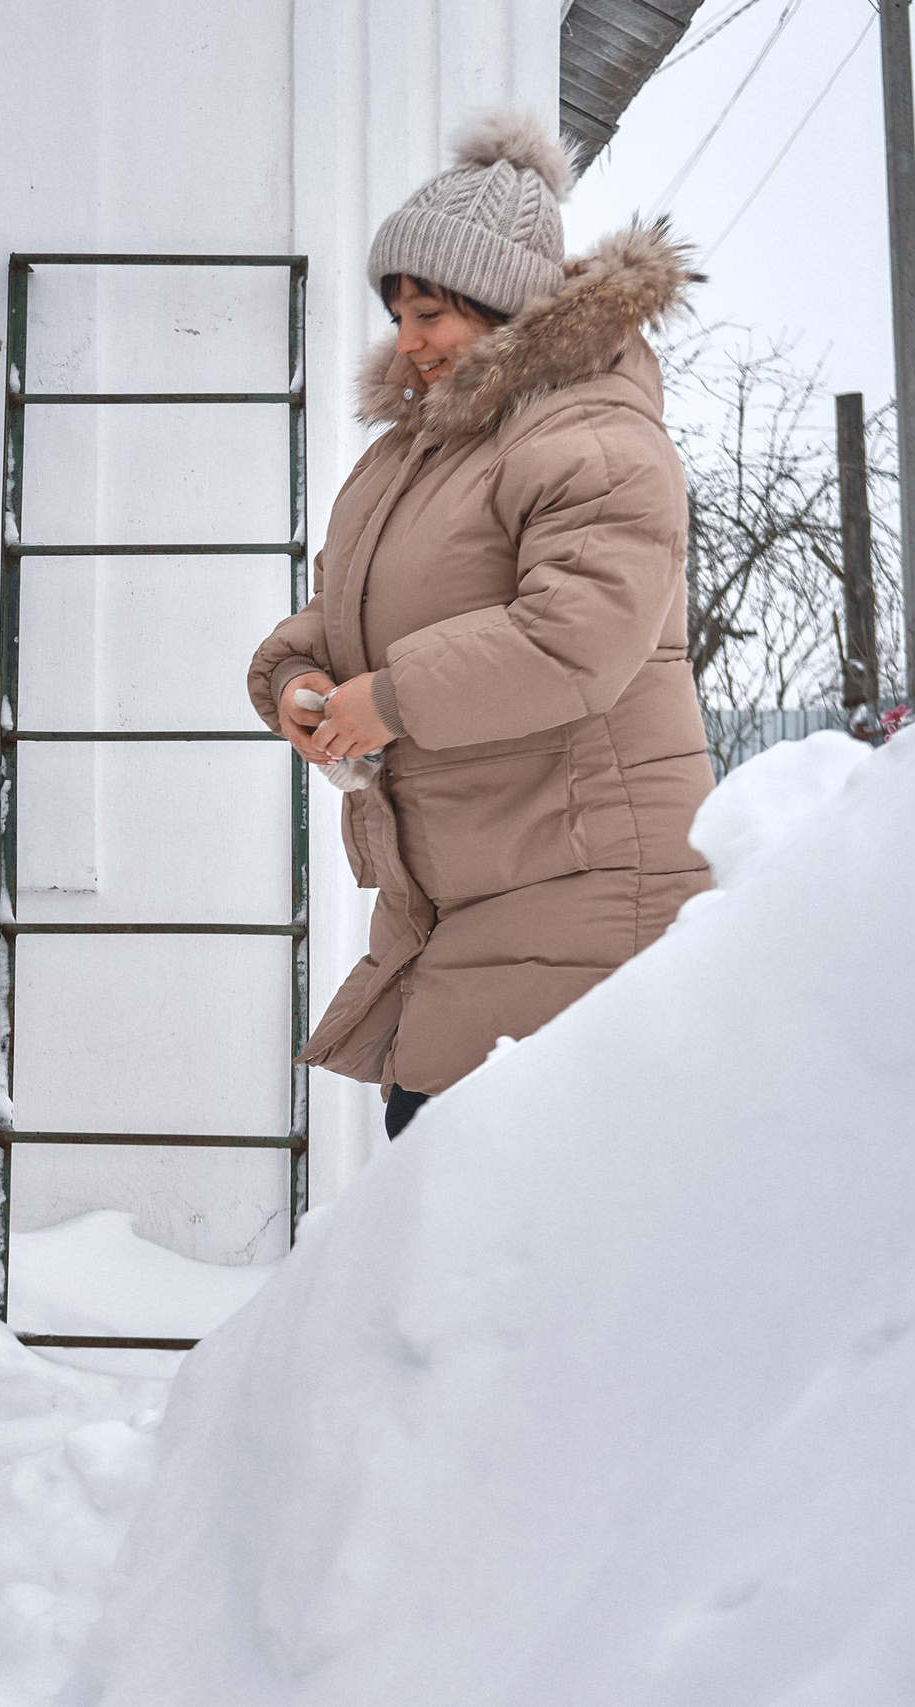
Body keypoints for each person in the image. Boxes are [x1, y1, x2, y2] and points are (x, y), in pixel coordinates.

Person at [247, 111, 713, 1139]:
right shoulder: (413, 459)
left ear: (503, 307)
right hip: (474, 887)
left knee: (498, 1191)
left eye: (429, 313)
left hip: (585, 882)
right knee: (444, 1176)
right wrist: (296, 679)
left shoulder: (595, 436)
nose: (405, 340)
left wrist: (392, 698)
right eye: (397, 314)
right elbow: (344, 612)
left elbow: (573, 638)